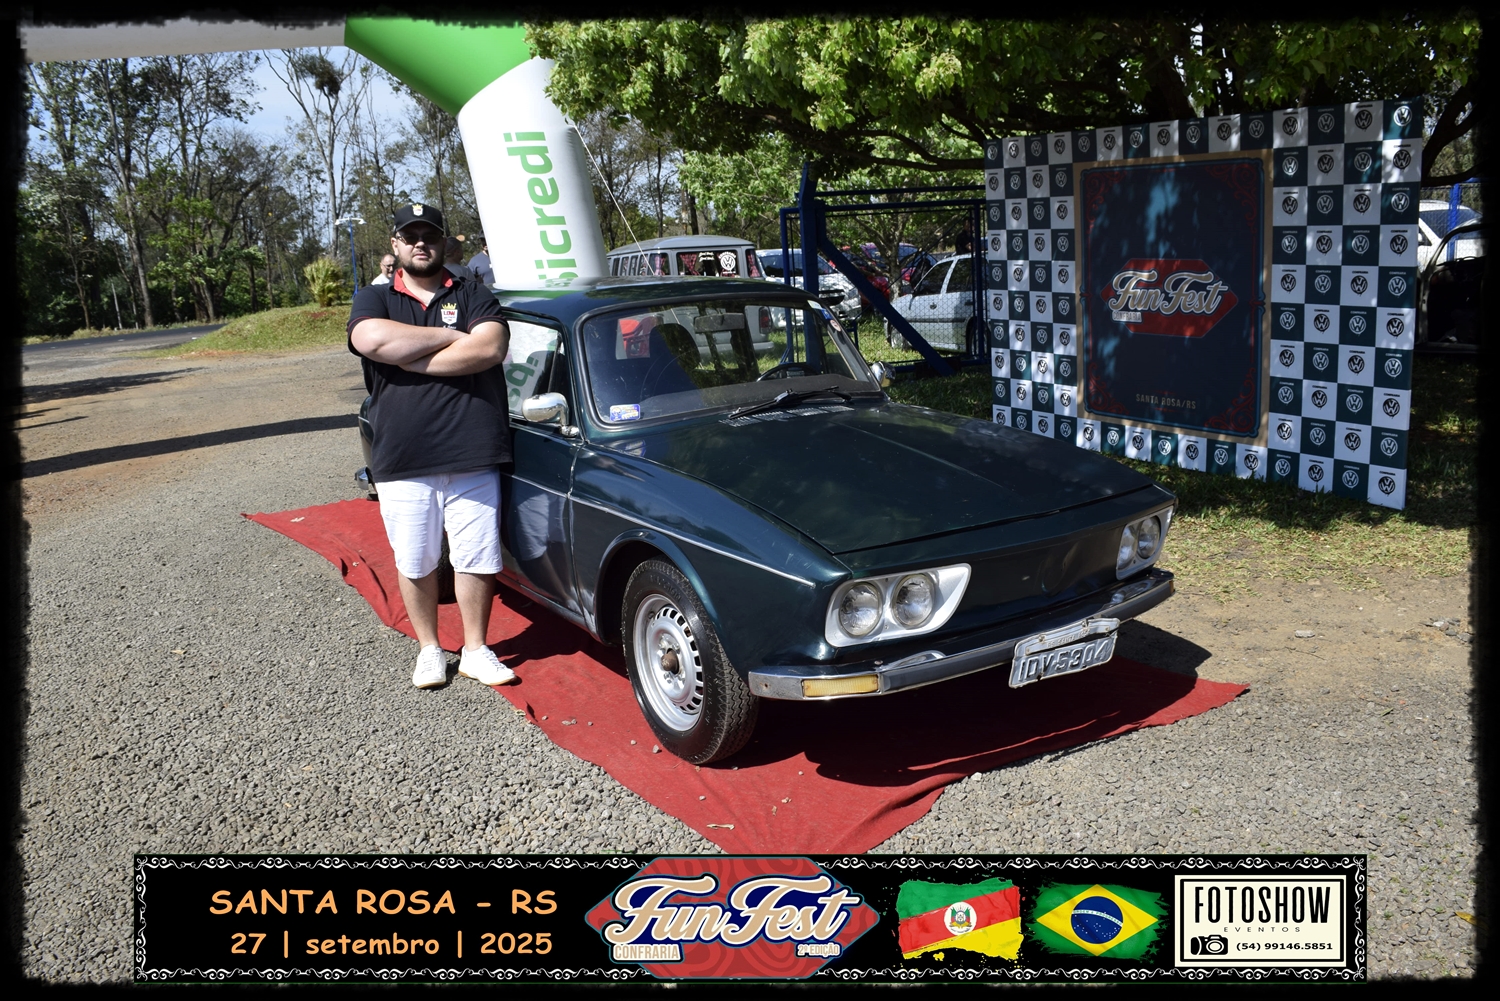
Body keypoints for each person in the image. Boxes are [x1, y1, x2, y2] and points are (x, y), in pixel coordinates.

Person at [348, 202, 516, 690]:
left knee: (477, 558)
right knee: (416, 560)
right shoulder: (374, 297)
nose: (421, 243)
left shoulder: (473, 291)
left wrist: (412, 356)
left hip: (473, 449)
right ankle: (429, 649)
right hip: (403, 455)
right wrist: (448, 336)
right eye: (410, 236)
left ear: (445, 242)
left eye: (430, 235)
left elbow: (489, 348)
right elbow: (374, 342)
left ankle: (476, 649)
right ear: (396, 244)